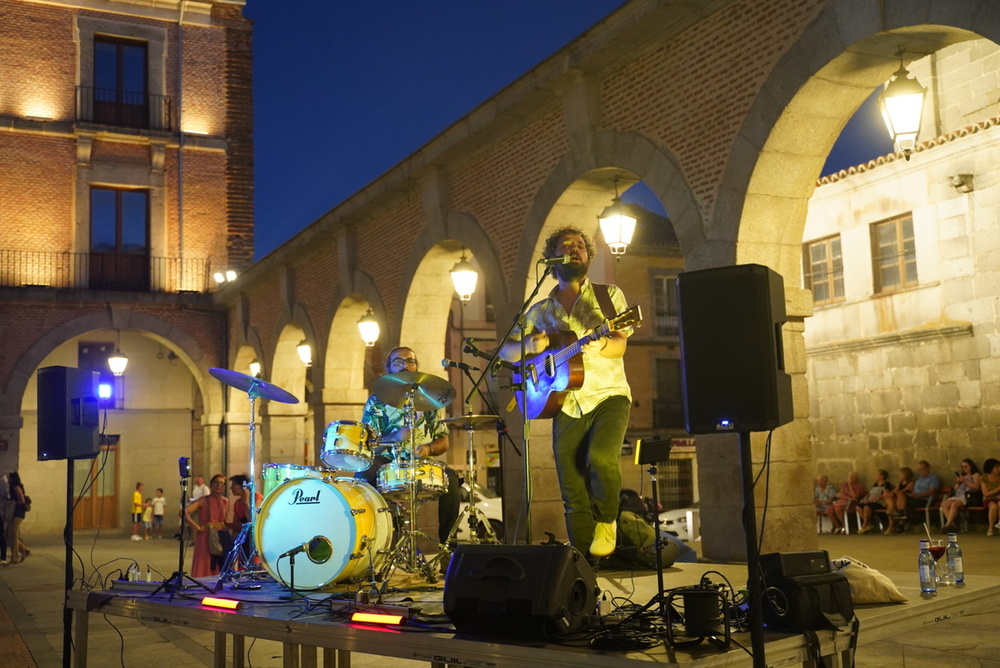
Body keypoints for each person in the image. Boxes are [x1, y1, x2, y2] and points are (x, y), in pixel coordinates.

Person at [499, 226, 632, 558]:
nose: (575, 250)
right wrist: (527, 344)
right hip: (566, 402)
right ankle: (586, 569)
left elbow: (620, 345)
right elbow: (505, 353)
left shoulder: (608, 295)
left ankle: (607, 520)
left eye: (581, 246)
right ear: (550, 259)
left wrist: (601, 341)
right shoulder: (540, 311)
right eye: (567, 245)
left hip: (609, 395)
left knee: (601, 458)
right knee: (572, 489)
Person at [359, 347, 460, 548]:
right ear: (388, 368)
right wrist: (394, 436)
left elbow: (443, 442)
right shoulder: (376, 402)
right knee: (364, 475)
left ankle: (448, 550)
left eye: (410, 361)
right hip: (386, 461)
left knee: (452, 479)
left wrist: (428, 449)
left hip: (420, 461)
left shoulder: (430, 401)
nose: (405, 365)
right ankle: (374, 548)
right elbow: (368, 444)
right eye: (398, 362)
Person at [184, 474, 229, 577]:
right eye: (216, 482)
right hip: (205, 535)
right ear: (211, 484)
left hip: (221, 534)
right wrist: (196, 526)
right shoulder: (203, 500)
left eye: (222, 483)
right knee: (205, 559)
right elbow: (184, 512)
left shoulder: (225, 501)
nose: (219, 485)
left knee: (220, 560)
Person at [941, 458, 982, 533]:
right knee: (945, 504)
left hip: (968, 496)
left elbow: (976, 487)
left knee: (954, 504)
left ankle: (947, 525)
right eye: (963, 467)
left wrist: (965, 481)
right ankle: (952, 525)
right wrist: (958, 482)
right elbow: (956, 489)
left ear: (971, 466)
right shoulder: (963, 476)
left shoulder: (975, 475)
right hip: (959, 495)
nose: (964, 468)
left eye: (966, 466)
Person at [4, 471, 30, 565]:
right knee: (9, 534)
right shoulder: (12, 487)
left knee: (13, 535)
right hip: (14, 513)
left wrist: (12, 503)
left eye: (9, 478)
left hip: (18, 513)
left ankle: (15, 557)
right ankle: (24, 550)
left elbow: (22, 500)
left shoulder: (16, 487)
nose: (8, 479)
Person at [857, 469, 892, 534]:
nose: (875, 476)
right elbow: (869, 493)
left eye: (876, 475)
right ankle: (869, 524)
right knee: (858, 507)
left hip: (878, 502)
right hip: (870, 501)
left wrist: (876, 498)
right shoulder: (874, 485)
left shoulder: (887, 484)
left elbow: (886, 494)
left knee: (866, 507)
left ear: (882, 476)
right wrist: (866, 498)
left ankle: (864, 525)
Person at [883, 467, 915, 534]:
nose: (899, 475)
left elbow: (904, 491)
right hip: (898, 500)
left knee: (898, 504)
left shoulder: (911, 482)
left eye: (900, 473)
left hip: (906, 500)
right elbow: (895, 491)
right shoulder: (901, 483)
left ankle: (893, 526)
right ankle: (892, 511)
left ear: (906, 474)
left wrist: (893, 493)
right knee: (889, 499)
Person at [979, 458, 1000, 536]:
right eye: (996, 467)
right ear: (990, 468)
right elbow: (986, 494)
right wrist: (998, 489)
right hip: (989, 499)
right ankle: (990, 528)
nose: (998, 468)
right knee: (993, 507)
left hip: (999, 497)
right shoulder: (984, 477)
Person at [0, 471, 11, 564]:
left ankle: (3, 557)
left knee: (1, 535)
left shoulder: (3, 480)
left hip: (1, 511)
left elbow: (6, 495)